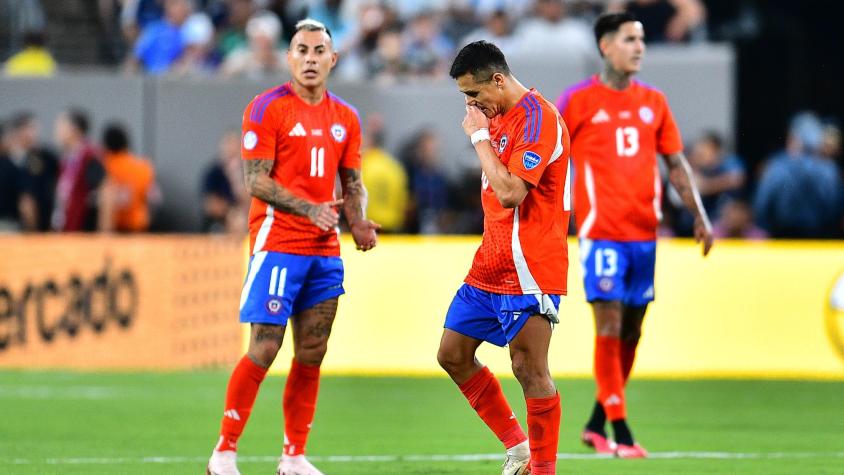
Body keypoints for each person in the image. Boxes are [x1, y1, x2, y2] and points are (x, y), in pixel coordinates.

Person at [206, 19, 380, 475]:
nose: (310, 58)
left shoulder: (346, 117)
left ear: (333, 59)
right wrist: (310, 211)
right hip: (278, 242)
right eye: (301, 50)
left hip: (324, 250)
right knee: (264, 347)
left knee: (312, 351)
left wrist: (358, 222)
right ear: (289, 57)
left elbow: (352, 180)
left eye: (319, 51)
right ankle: (224, 452)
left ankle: (293, 457)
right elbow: (254, 180)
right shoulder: (266, 109)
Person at [555, 12, 713, 458]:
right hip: (600, 233)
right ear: (606, 46)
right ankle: (621, 431)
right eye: (629, 39)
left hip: (644, 234)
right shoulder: (578, 100)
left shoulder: (655, 103)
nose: (639, 46)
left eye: (642, 39)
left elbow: (676, 164)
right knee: (608, 323)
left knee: (632, 331)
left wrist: (699, 214)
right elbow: (549, 152)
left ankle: (595, 423)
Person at [437, 41, 571, 475]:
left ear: (497, 79)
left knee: (529, 369)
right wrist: (484, 133)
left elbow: (512, 192)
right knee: (452, 354)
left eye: (473, 95)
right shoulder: (498, 118)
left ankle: (543, 470)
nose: (471, 106)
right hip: (490, 262)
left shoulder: (538, 118)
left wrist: (478, 138)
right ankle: (518, 446)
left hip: (530, 266)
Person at [52, 108, 107, 232]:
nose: (56, 131)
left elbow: (107, 189)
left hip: (83, 230)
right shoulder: (67, 158)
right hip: (67, 226)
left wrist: (104, 232)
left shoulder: (89, 156)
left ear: (74, 129)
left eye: (61, 126)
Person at [4, 111, 59, 231]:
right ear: (20, 131)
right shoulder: (6, 161)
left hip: (42, 224)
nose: (35, 133)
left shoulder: (45, 157)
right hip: (10, 224)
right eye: (31, 128)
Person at [99, 122, 159, 232]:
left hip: (113, 228)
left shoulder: (104, 166)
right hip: (138, 226)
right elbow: (154, 199)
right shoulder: (143, 166)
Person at [360, 113, 408, 232]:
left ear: (369, 140)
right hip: (391, 230)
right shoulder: (394, 167)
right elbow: (403, 205)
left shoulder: (362, 166)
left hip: (366, 230)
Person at [200, 128, 250, 233]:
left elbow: (251, 200)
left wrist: (236, 180)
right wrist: (230, 212)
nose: (232, 150)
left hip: (245, 218)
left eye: (235, 145)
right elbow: (210, 205)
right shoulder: (213, 173)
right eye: (229, 145)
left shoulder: (247, 172)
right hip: (221, 221)